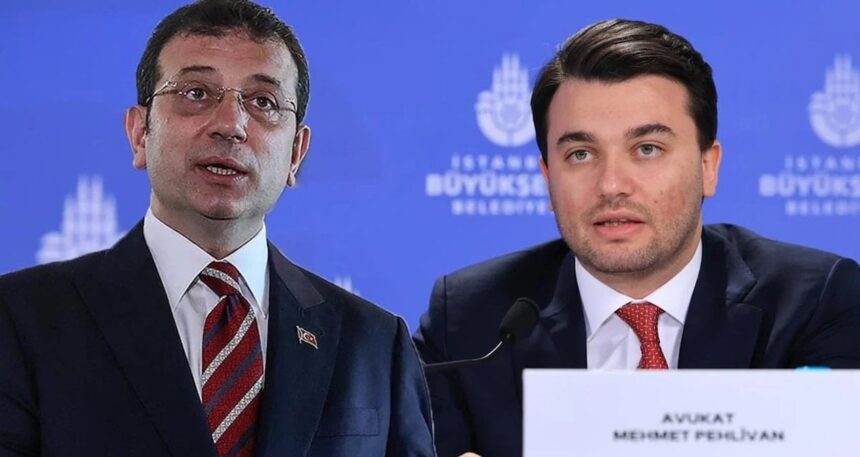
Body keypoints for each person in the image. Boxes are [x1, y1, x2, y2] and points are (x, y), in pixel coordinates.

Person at [0, 1, 434, 456]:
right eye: (196, 93)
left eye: (263, 102)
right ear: (140, 132)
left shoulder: (374, 344)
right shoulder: (22, 321)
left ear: (296, 154)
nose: (231, 125)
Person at [413, 18, 860, 457]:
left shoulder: (813, 302)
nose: (611, 185)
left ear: (708, 166)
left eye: (647, 149)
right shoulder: (469, 319)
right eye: (580, 154)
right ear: (548, 177)